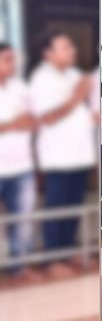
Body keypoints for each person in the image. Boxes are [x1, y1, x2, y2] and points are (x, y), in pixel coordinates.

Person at [30, 32, 95, 271]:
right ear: (49, 53)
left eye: (71, 46)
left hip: (79, 154)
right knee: (56, 208)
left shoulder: (74, 75)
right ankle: (52, 259)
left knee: (73, 207)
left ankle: (67, 252)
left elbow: (82, 115)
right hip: (57, 157)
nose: (72, 51)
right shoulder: (42, 79)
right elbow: (47, 117)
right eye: (65, 47)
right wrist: (77, 96)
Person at [0, 43, 37, 280]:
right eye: (6, 60)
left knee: (22, 219)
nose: (12, 65)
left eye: (13, 60)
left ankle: (19, 267)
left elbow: (34, 122)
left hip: (22, 166)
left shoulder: (21, 89)